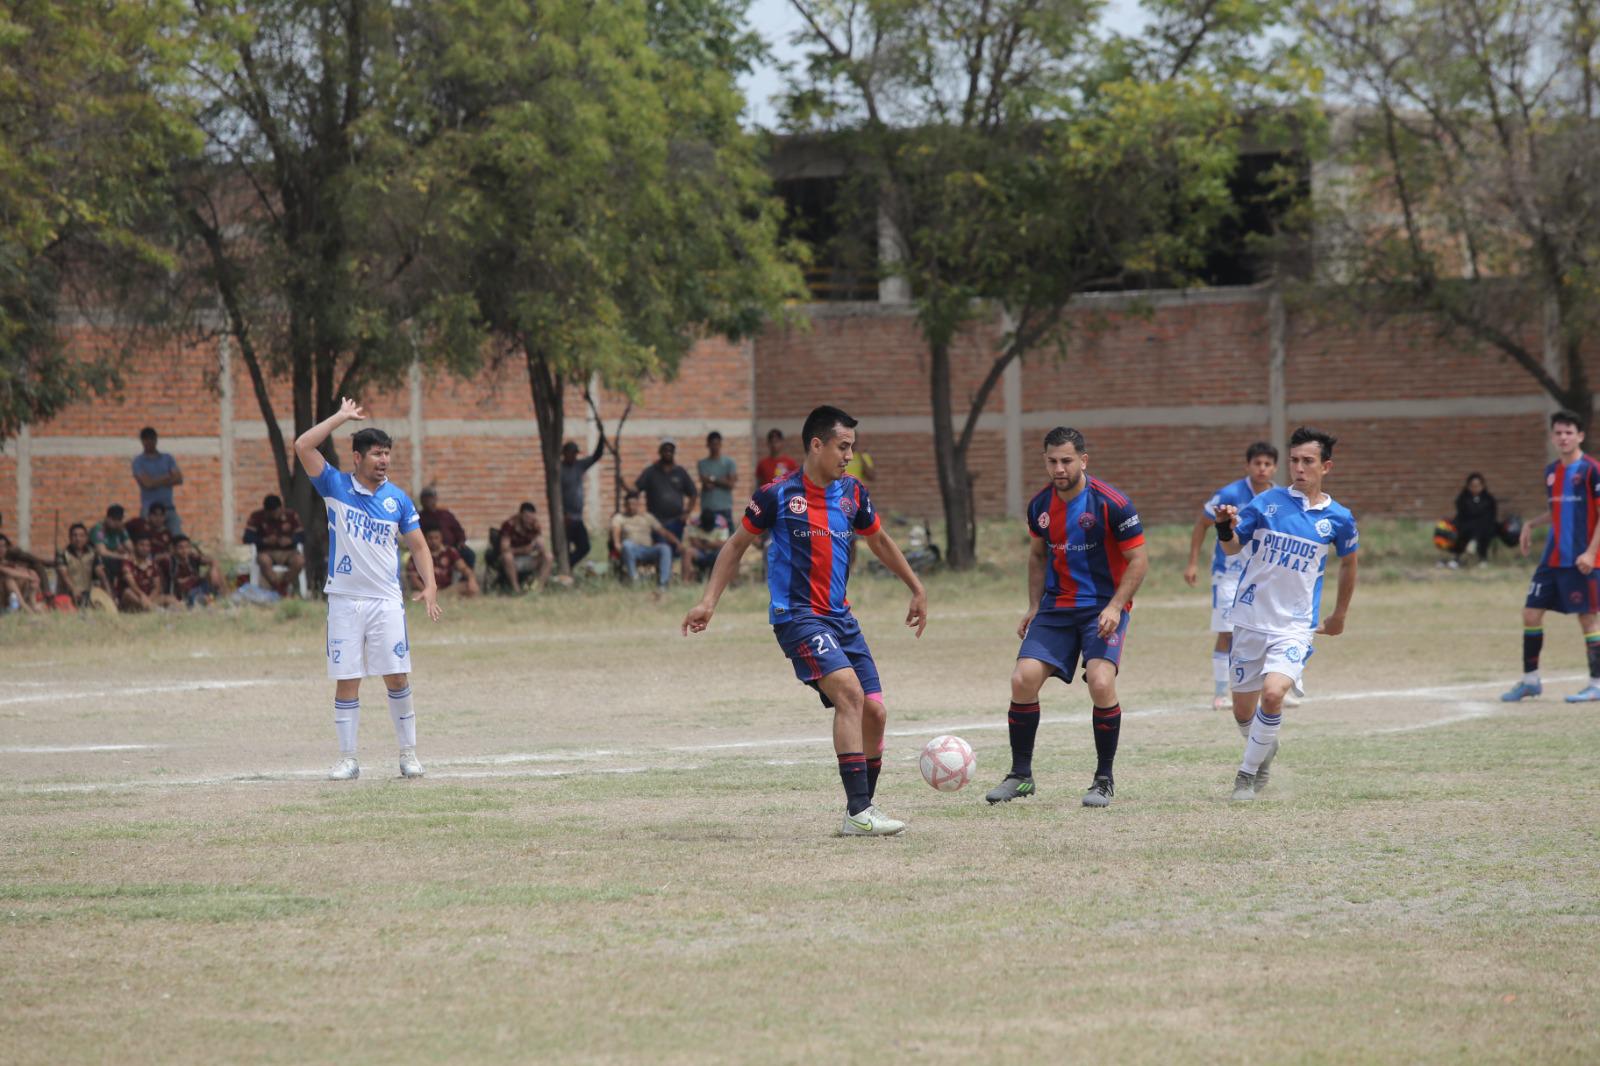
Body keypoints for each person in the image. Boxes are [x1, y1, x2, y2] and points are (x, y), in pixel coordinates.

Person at [683, 404, 929, 837]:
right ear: (817, 445)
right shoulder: (777, 495)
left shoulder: (853, 494)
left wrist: (916, 588)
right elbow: (736, 546)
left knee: (875, 713)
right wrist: (708, 601)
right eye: (843, 446)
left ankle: (863, 808)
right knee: (850, 695)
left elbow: (880, 541)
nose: (849, 455)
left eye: (852, 447)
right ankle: (858, 812)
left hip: (842, 619)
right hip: (797, 617)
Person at [984, 428, 1149, 809]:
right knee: (1022, 679)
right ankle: (1021, 776)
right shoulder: (1039, 506)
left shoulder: (1112, 503)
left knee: (1101, 682)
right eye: (1052, 461)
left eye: (1066, 461)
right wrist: (1033, 606)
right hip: (1057, 608)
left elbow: (1139, 560)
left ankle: (1104, 779)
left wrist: (1114, 606)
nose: (1059, 468)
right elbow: (1038, 556)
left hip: (1101, 608)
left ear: (1083, 461)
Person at [295, 398, 441, 781]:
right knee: (348, 679)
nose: (384, 460)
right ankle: (348, 759)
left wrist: (431, 585)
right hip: (344, 601)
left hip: (386, 603)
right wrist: (341, 417)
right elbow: (302, 446)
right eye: (376, 453)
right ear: (356, 457)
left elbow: (420, 546)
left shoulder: (397, 499)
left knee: (397, 677)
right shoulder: (335, 485)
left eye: (387, 454)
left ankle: (408, 754)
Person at [1212, 426, 1359, 802]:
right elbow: (1231, 548)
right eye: (1294, 460)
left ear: (1326, 466)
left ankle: (1246, 776)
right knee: (1242, 711)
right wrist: (1223, 526)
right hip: (1249, 619)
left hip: (1294, 626)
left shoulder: (1338, 518)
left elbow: (1348, 564)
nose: (1299, 468)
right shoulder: (1267, 502)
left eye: (1307, 461)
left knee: (1274, 695)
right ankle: (1262, 748)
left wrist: (1339, 614)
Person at [1503, 410, 1600, 703]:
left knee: (1588, 619)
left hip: (1582, 558)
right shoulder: (1550, 472)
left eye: (1569, 432)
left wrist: (1591, 552)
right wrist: (1532, 524)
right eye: (1558, 432)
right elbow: (1558, 510)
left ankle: (1597, 683)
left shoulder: (1592, 470)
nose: (1563, 437)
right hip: (1552, 558)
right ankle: (1531, 681)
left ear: (1580, 436)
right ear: (1552, 436)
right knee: (1531, 613)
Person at [1184, 442, 1279, 710]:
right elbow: (1202, 524)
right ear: (1247, 465)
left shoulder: (1279, 498)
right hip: (1227, 574)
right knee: (1227, 633)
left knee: (1267, 632)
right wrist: (1192, 562)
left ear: (1275, 467)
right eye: (1257, 463)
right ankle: (1220, 693)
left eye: (1267, 464)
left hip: (1260, 576)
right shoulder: (1229, 494)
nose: (1262, 469)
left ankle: (1268, 688)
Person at [612, 492, 682, 588]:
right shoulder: (619, 518)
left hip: (648, 549)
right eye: (629, 504)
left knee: (664, 548)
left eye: (634, 504)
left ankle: (663, 584)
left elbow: (663, 532)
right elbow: (616, 536)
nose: (631, 507)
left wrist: (677, 542)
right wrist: (619, 547)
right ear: (625, 505)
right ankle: (634, 580)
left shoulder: (647, 517)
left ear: (638, 504)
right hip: (631, 550)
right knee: (627, 544)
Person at [635, 439, 697, 544]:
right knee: (661, 547)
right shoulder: (650, 471)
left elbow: (693, 493)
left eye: (671, 450)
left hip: (677, 520)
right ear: (660, 452)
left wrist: (687, 513)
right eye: (665, 450)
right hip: (656, 521)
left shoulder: (680, 472)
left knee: (675, 549)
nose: (668, 452)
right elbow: (636, 490)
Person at [244, 494, 306, 597]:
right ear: (266, 511)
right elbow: (247, 538)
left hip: (288, 552)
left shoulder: (291, 515)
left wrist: (290, 540)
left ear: (281, 508)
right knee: (263, 560)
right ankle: (278, 588)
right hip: (267, 552)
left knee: (300, 561)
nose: (274, 515)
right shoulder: (257, 517)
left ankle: (283, 585)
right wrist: (264, 541)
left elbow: (302, 536)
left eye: (276, 512)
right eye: (271, 513)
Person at [559, 436, 606, 568]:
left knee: (584, 547)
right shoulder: (559, 470)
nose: (573, 456)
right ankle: (564, 571)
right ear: (564, 453)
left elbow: (597, 456)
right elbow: (555, 496)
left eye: (575, 453)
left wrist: (601, 437)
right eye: (571, 453)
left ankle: (567, 567)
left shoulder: (579, 466)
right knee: (564, 548)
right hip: (565, 518)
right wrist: (563, 513)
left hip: (577, 517)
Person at [131, 427, 183, 535]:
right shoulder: (138, 461)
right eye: (146, 440)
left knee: (177, 538)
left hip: (168, 508)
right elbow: (147, 484)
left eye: (152, 439)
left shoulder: (167, 458)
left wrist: (154, 481)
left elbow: (179, 479)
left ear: (156, 440)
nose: (149, 442)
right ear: (142, 441)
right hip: (149, 510)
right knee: (147, 539)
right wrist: (167, 477)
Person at [409, 526, 479, 598]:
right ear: (425, 539)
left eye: (436, 538)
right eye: (430, 538)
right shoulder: (418, 554)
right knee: (414, 596)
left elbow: (464, 568)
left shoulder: (450, 552)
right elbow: (413, 578)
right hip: (425, 591)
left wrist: (471, 579)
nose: (433, 541)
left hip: (447, 590)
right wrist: (428, 591)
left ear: (441, 538)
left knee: (469, 586)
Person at [418, 487, 476, 572]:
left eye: (430, 497)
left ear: (435, 498)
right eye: (425, 498)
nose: (428, 500)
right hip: (432, 548)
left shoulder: (446, 514)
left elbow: (458, 530)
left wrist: (461, 541)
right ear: (421, 500)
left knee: (469, 554)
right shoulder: (420, 518)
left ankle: (466, 580)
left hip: (452, 547)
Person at [56, 522, 112, 609]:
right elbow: (64, 574)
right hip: (68, 593)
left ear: (86, 538)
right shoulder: (62, 553)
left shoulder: (93, 553)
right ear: (70, 537)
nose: (78, 539)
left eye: (81, 536)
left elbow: (100, 573)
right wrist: (73, 589)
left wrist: (108, 592)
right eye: (75, 535)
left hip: (88, 594)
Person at [498, 502, 552, 592]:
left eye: (532, 518)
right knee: (507, 556)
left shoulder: (534, 525)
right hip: (513, 560)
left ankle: (538, 588)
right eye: (527, 517)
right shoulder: (509, 525)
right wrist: (522, 550)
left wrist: (540, 546)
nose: (529, 520)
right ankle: (516, 589)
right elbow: (504, 549)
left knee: (549, 556)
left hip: (529, 558)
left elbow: (542, 548)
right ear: (520, 515)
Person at [118, 531, 177, 612]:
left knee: (170, 598)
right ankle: (155, 610)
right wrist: (142, 596)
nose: (145, 548)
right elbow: (132, 584)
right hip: (133, 598)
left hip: (148, 598)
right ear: (135, 546)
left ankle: (151, 609)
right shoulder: (127, 562)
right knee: (127, 593)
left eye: (147, 546)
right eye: (141, 545)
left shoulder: (152, 564)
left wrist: (149, 600)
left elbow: (157, 586)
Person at [1449, 472, 1498, 567]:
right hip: (1466, 525)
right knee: (1461, 530)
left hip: (1484, 527)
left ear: (1483, 486)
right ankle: (1457, 557)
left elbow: (1491, 516)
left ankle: (1482, 557)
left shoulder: (1489, 499)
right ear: (1468, 486)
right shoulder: (1462, 498)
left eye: (1478, 485)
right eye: (1473, 486)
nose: (1475, 488)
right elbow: (1462, 514)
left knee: (1485, 529)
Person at [696, 431, 738, 532]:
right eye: (712, 444)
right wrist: (722, 480)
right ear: (708, 445)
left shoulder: (729, 462)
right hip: (708, 507)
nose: (714, 447)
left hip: (724, 506)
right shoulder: (702, 463)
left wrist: (712, 479)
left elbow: (730, 484)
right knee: (709, 538)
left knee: (728, 539)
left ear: (720, 444)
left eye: (717, 444)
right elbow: (706, 484)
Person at [90, 505, 134, 587]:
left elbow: (131, 548)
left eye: (119, 520)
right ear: (107, 518)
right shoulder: (99, 530)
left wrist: (123, 533)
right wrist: (122, 556)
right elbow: (102, 552)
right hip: (98, 562)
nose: (116, 522)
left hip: (114, 560)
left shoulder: (119, 529)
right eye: (114, 519)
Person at [0, 533, 45, 613]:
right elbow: (7, 571)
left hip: (11, 597)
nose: (1, 549)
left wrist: (30, 575)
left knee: (31, 573)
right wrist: (27, 576)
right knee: (8, 579)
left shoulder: (8, 561)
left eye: (3, 546)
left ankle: (32, 602)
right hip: (2, 599)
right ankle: (25, 607)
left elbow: (20, 570)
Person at [168, 535, 217, 607]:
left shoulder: (192, 557)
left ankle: (225, 595)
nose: (184, 550)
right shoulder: (172, 562)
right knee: (193, 594)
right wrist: (193, 578)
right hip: (186, 592)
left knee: (214, 569)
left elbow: (211, 561)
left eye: (187, 547)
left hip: (199, 586)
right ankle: (206, 599)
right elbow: (179, 582)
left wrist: (201, 556)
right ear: (174, 549)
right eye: (180, 548)